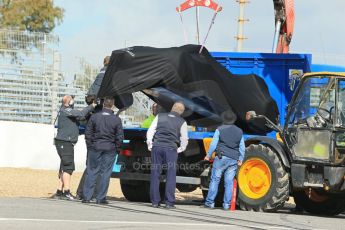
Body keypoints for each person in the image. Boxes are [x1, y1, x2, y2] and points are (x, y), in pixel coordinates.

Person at [146, 102, 189, 209]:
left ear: (172, 108)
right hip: (171, 149)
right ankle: (169, 202)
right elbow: (184, 138)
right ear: (181, 112)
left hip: (157, 146)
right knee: (170, 175)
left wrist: (150, 143)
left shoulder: (160, 116)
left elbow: (150, 131)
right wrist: (181, 149)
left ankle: (155, 202)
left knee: (155, 173)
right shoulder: (182, 121)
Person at [82, 97, 124, 204]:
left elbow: (88, 133)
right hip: (110, 148)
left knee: (92, 171)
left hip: (96, 146)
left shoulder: (95, 117)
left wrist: (90, 146)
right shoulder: (116, 119)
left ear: (103, 104)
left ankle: (87, 196)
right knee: (105, 173)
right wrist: (117, 149)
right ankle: (100, 197)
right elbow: (119, 137)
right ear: (113, 105)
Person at [53, 95, 95, 200]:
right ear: (70, 102)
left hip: (65, 143)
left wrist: (89, 114)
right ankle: (67, 191)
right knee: (68, 167)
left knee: (64, 167)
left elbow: (81, 118)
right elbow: (81, 114)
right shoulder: (66, 111)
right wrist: (92, 105)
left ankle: (59, 191)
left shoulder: (67, 112)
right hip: (65, 142)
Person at [204, 110, 245, 210]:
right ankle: (226, 205)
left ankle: (210, 203)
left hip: (221, 157)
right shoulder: (239, 131)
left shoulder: (220, 129)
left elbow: (213, 144)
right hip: (233, 159)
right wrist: (240, 159)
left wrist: (208, 155)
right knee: (229, 182)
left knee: (215, 180)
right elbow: (242, 147)